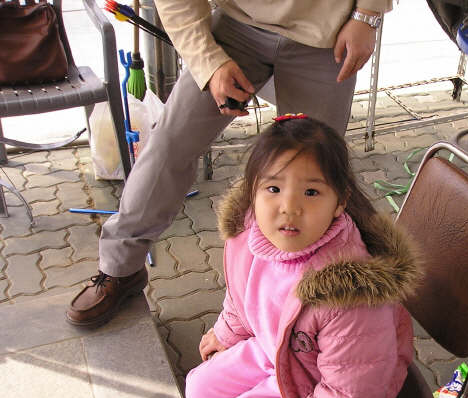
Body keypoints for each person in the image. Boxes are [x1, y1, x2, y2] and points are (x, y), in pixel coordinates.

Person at [66, 0, 392, 326]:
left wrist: (367, 16)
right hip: (238, 26)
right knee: (169, 143)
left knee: (317, 170)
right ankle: (120, 267)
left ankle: (310, 298)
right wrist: (210, 64)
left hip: (326, 35)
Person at [184, 115, 420, 398]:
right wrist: (227, 331)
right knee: (199, 389)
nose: (289, 207)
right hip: (277, 352)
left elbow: (352, 392)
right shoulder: (250, 236)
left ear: (340, 202)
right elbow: (243, 295)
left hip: (319, 382)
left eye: (311, 192)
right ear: (252, 192)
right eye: (273, 188)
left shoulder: (347, 292)